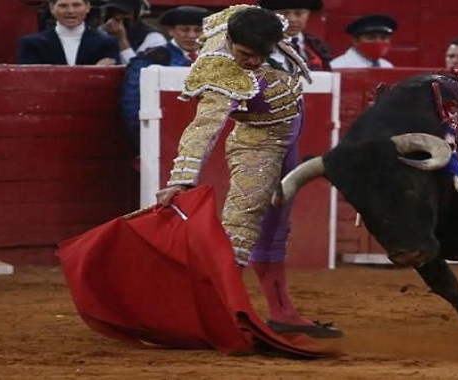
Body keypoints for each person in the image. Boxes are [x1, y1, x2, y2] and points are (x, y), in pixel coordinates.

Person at [155, 5, 343, 339]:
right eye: (246, 54)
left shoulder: (250, 21)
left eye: (261, 54)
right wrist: (181, 179)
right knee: (239, 230)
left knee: (275, 231)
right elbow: (204, 127)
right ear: (230, 40)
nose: (253, 61)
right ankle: (210, 316)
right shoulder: (219, 69)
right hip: (257, 146)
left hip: (288, 140)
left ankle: (282, 313)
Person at [120, 6, 211, 153]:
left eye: (198, 30)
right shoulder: (152, 58)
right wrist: (144, 140)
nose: (192, 35)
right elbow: (132, 105)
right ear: (171, 30)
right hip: (163, 138)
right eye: (185, 29)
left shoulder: (215, 58)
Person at [17, 0, 118, 65]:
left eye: (76, 5)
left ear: (88, 7)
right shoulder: (32, 44)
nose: (70, 11)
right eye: (63, 5)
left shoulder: (106, 43)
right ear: (52, 8)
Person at [258, 0, 333, 71]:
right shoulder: (259, 46)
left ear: (308, 14)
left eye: (299, 13)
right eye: (284, 13)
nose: (292, 19)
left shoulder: (318, 47)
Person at [100, 0, 168, 65]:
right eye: (111, 12)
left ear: (136, 14)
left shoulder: (153, 38)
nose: (117, 17)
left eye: (123, 13)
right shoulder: (101, 33)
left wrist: (122, 40)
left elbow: (138, 71)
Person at [329, 14, 397, 69]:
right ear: (355, 41)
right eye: (371, 38)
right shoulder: (337, 67)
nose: (378, 41)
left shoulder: (387, 66)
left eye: (384, 38)